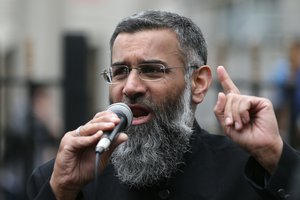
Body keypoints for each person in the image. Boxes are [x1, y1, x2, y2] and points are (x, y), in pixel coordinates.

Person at [27, 10, 300, 200]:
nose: (131, 87)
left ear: (198, 83)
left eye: (152, 69)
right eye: (120, 71)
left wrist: (275, 155)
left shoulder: (250, 171)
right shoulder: (65, 178)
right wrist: (60, 191)